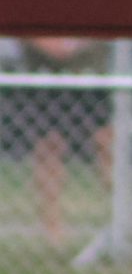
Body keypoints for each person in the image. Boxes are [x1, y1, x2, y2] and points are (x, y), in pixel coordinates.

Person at [18, 37, 113, 246]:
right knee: (49, 149)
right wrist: (58, 46)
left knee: (106, 144)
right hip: (46, 79)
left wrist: (75, 44)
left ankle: (122, 219)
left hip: (89, 79)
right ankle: (52, 228)